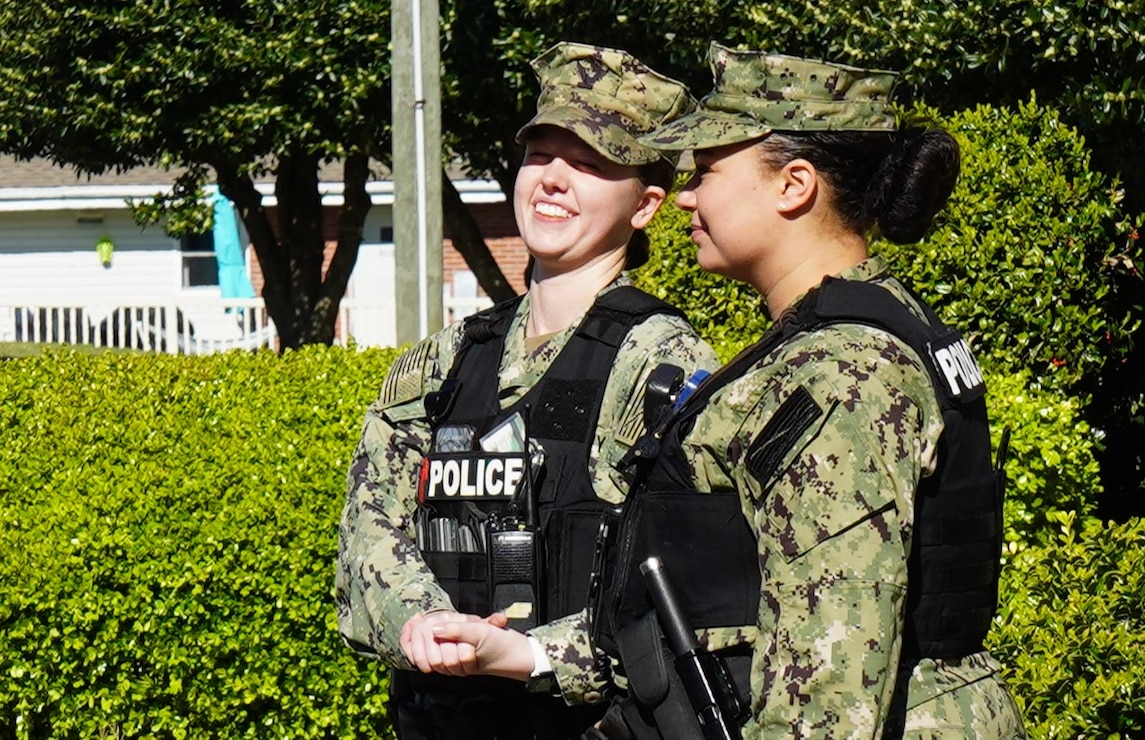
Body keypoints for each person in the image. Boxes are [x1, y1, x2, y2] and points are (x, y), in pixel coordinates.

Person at [431, 43, 1027, 738]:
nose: (686, 195)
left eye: (708, 171)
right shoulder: (835, 339)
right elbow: (722, 601)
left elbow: (828, 688)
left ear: (792, 185)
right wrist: (528, 650)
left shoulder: (840, 372)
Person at [335, 41, 718, 740]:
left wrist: (526, 655)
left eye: (590, 165)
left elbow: (673, 591)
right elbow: (370, 527)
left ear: (646, 205)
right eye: (539, 155)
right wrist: (427, 625)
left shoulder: (659, 361)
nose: (552, 180)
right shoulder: (445, 363)